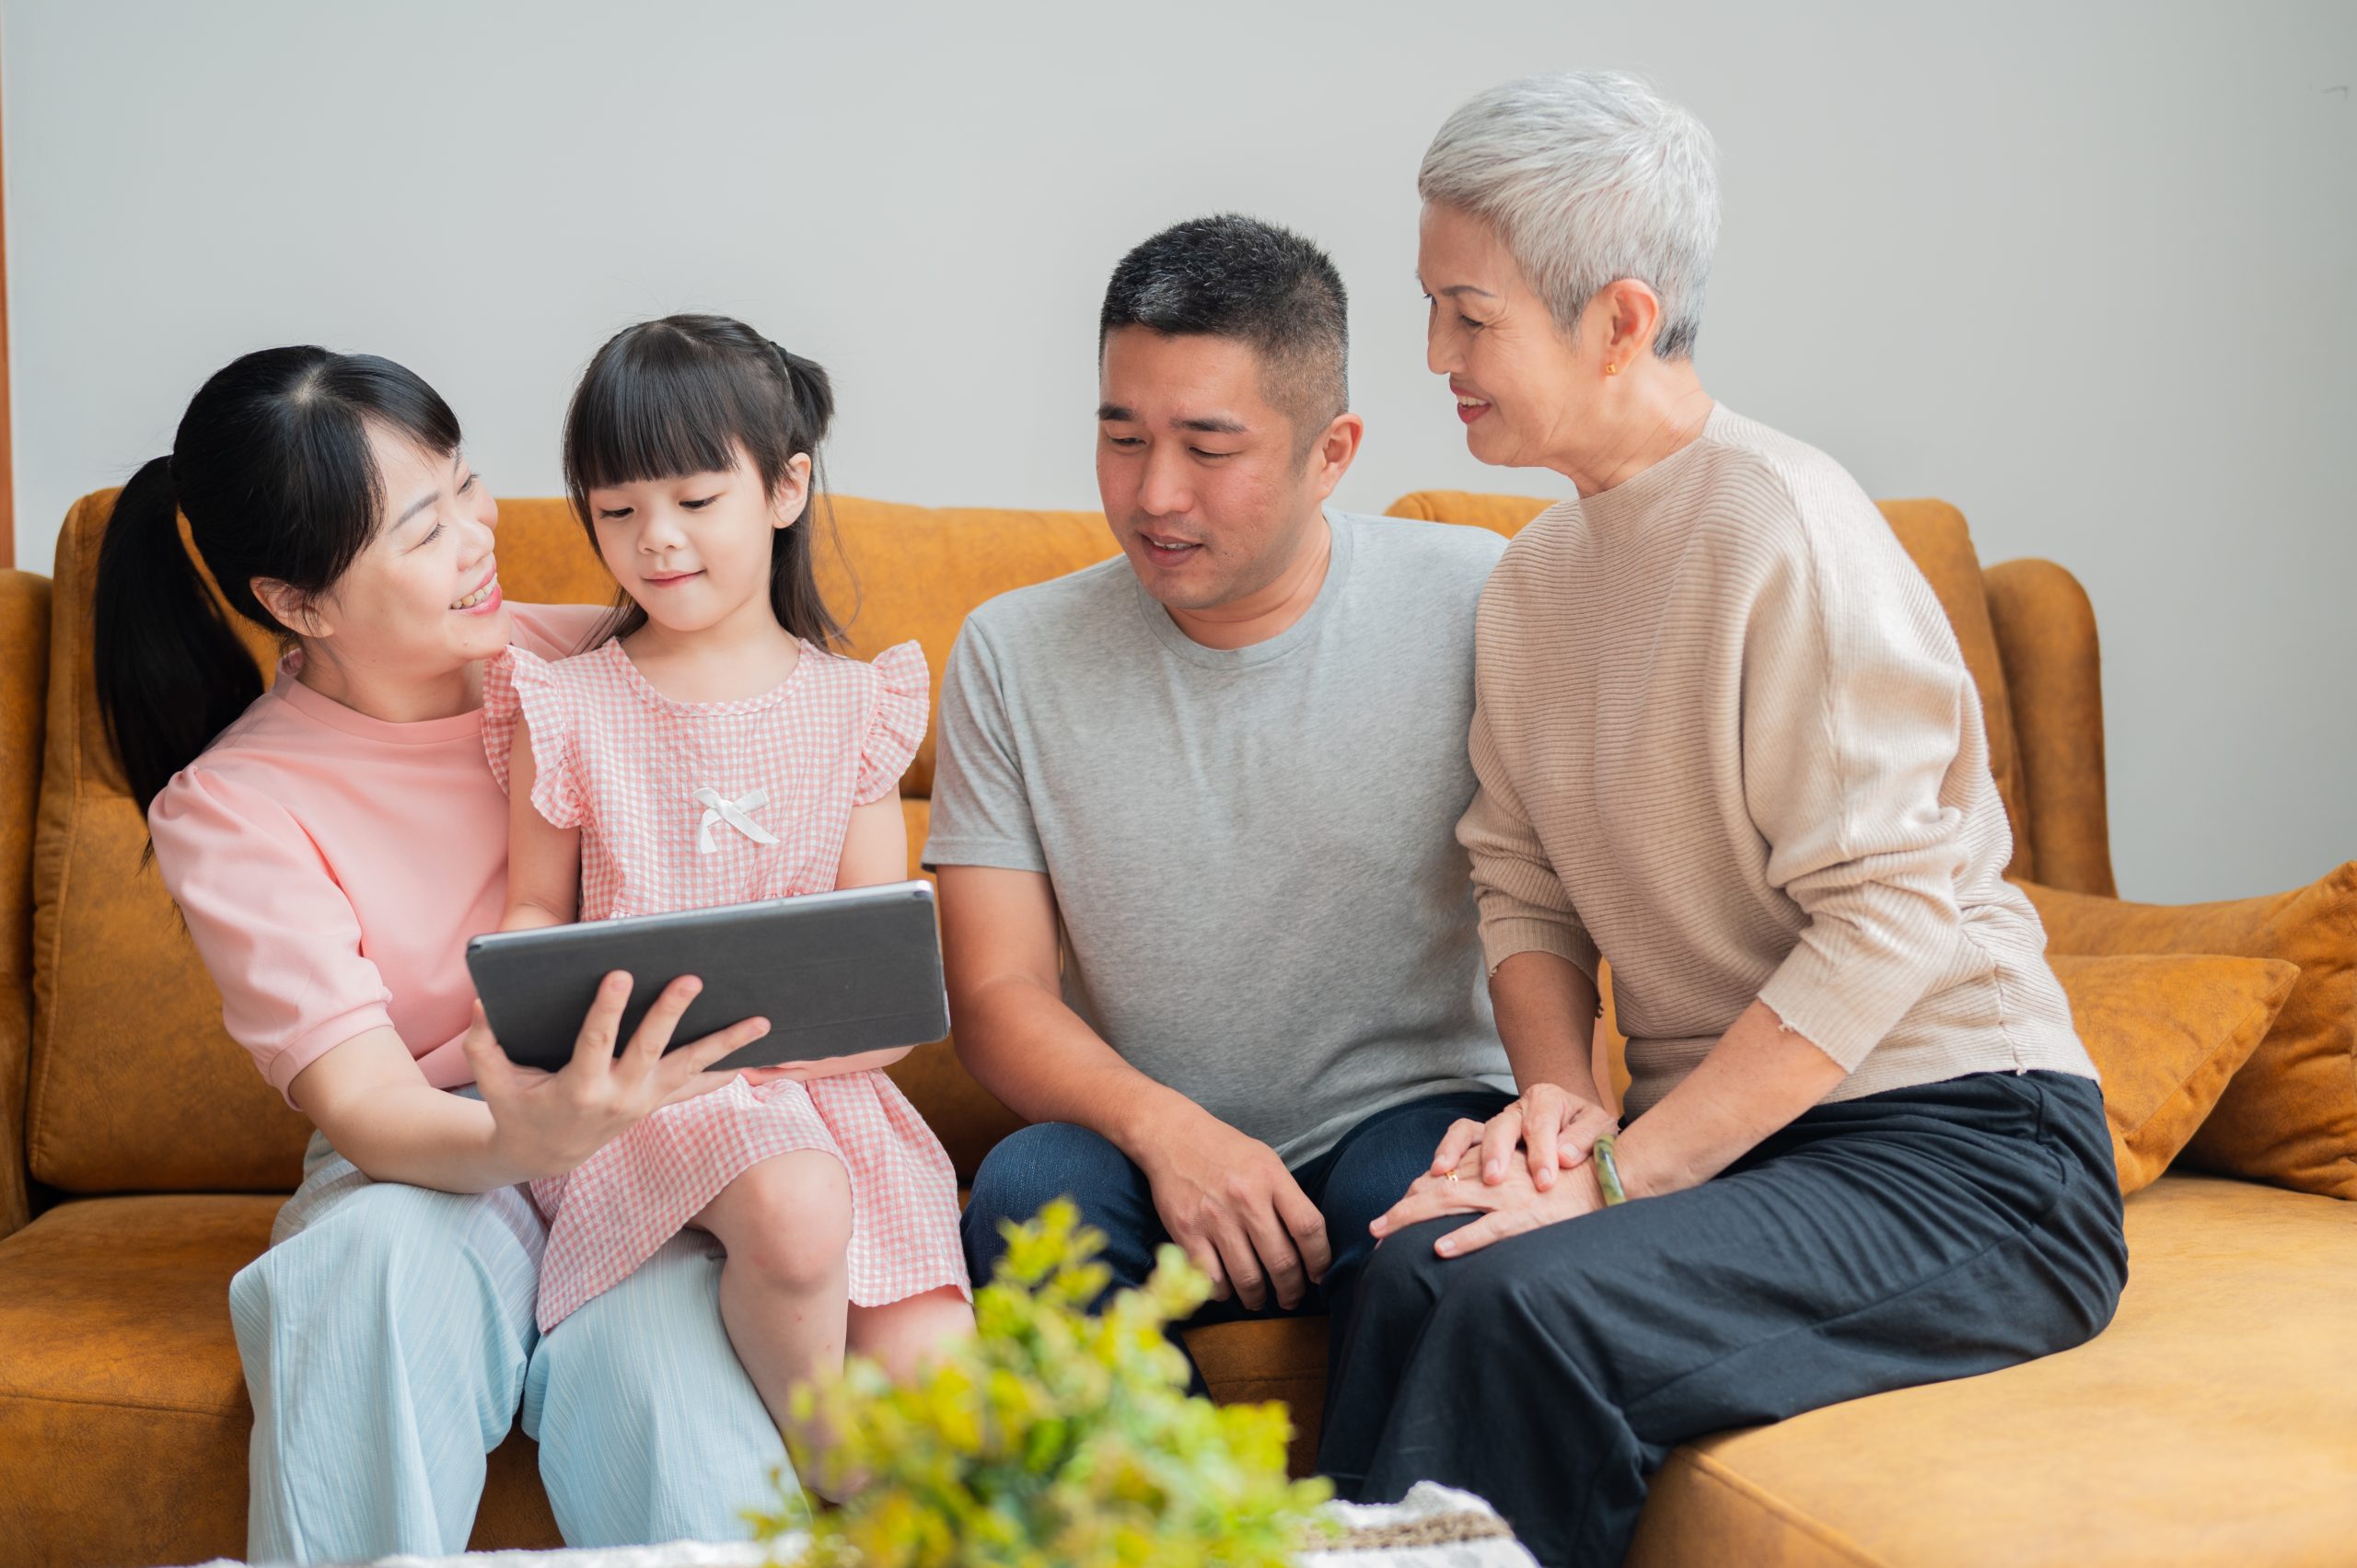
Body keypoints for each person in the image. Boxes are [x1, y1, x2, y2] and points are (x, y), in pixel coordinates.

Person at [1318, 73, 2129, 1568]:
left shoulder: (1788, 528)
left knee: (1522, 1303)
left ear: (1620, 320)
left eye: (1471, 315)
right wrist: (1559, 1113)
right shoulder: (1533, 583)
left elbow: (1890, 915)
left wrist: (1620, 1176)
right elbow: (1520, 881)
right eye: (1432, 307)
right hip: (1754, 1150)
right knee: (1418, 1262)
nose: (1436, 355)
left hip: (1974, 1153)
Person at [93, 346, 790, 1562]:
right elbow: (368, 1104)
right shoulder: (232, 803)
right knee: (368, 1265)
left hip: (645, 1145)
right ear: (299, 603)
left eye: (467, 484)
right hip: (421, 1158)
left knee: (675, 1372)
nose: (480, 535)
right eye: (424, 529)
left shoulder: (605, 661)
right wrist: (530, 1138)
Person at [935, 215, 1516, 1358]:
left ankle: (1370, 1489)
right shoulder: (1012, 651)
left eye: (1209, 449)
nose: (1155, 494)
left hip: (1410, 1114)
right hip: (1140, 1138)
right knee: (1028, 1192)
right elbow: (997, 991)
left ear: (1331, 452)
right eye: (1122, 437)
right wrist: (1166, 1131)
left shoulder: (1477, 598)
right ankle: (1168, 1484)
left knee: (1434, 1217)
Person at [485, 315, 971, 1470]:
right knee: (794, 1207)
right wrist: (525, 1019)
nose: (655, 538)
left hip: (823, 1097)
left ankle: (879, 1486)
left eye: (696, 499)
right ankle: (829, 1472)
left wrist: (841, 1039)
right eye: (616, 510)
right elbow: (533, 913)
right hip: (650, 1097)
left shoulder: (855, 704)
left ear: (785, 489)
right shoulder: (569, 705)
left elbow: (877, 956)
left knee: (951, 1404)